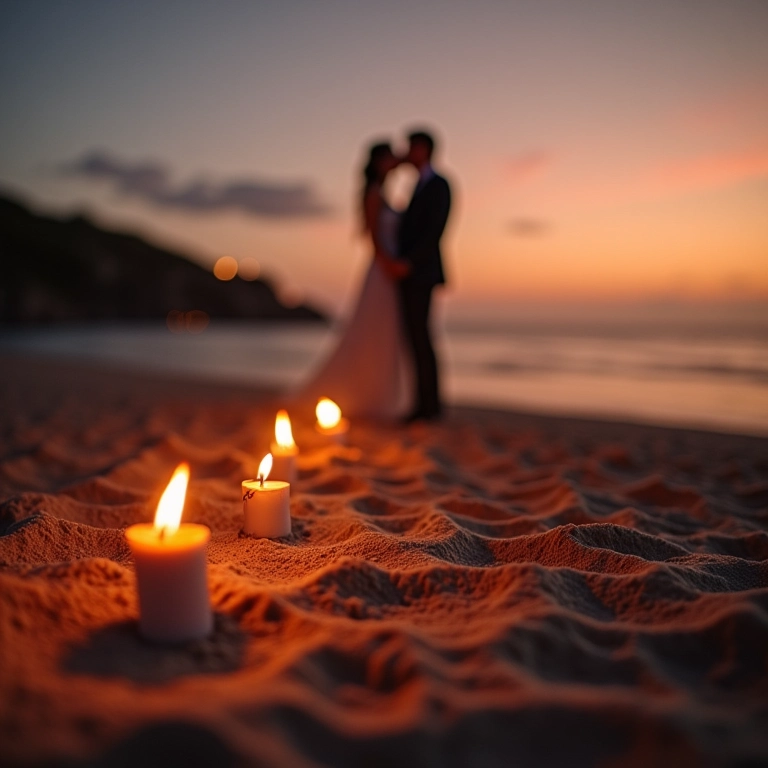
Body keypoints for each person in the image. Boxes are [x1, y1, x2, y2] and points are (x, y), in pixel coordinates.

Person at [295, 141, 409, 419]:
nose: (393, 161)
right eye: (388, 158)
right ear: (378, 162)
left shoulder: (383, 190)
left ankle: (382, 394)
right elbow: (372, 236)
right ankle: (367, 395)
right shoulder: (373, 193)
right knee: (372, 330)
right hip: (383, 270)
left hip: (389, 270)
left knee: (384, 333)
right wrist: (389, 265)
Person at [383, 129, 451, 423]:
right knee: (415, 336)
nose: (406, 153)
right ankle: (423, 404)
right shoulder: (418, 185)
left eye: (410, 148)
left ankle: (429, 406)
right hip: (411, 273)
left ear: (423, 150)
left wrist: (409, 263)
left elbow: (435, 230)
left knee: (421, 336)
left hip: (421, 272)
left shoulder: (439, 185)